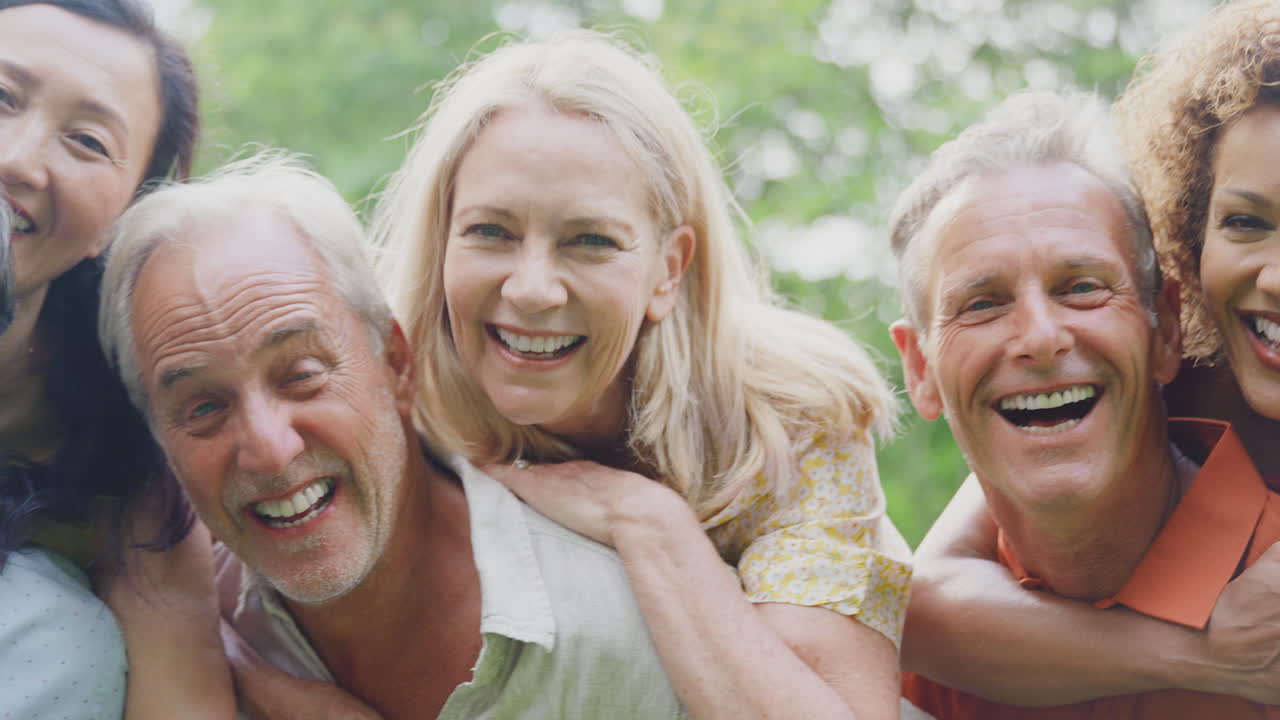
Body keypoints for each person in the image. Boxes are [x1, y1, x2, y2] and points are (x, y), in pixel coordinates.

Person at [371, 31, 908, 719]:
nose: (533, 289)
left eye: (589, 240)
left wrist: (648, 524)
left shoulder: (790, 418)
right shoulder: (385, 396)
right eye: (491, 232)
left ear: (668, 269)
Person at [98, 152, 689, 720]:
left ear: (396, 364)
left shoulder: (628, 633)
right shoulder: (164, 655)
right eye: (202, 407)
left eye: (302, 376)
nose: (270, 449)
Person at [901, 0, 1280, 707]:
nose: (1041, 337)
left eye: (1079, 287)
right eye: (1246, 222)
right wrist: (1202, 656)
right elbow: (922, 604)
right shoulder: (1193, 366)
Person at [0, 1, 232, 718]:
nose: (17, 158)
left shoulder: (120, 449)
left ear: (123, 216)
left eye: (88, 141)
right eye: (3, 97)